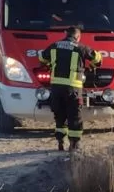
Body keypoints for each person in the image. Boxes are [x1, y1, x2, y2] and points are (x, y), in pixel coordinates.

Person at [38, 25, 102, 153]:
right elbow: (97, 58)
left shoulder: (55, 45)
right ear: (78, 36)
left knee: (59, 115)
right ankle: (74, 144)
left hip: (56, 88)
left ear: (65, 34)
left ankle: (60, 142)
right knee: (74, 116)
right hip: (73, 88)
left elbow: (41, 57)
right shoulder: (81, 47)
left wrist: (49, 64)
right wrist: (94, 65)